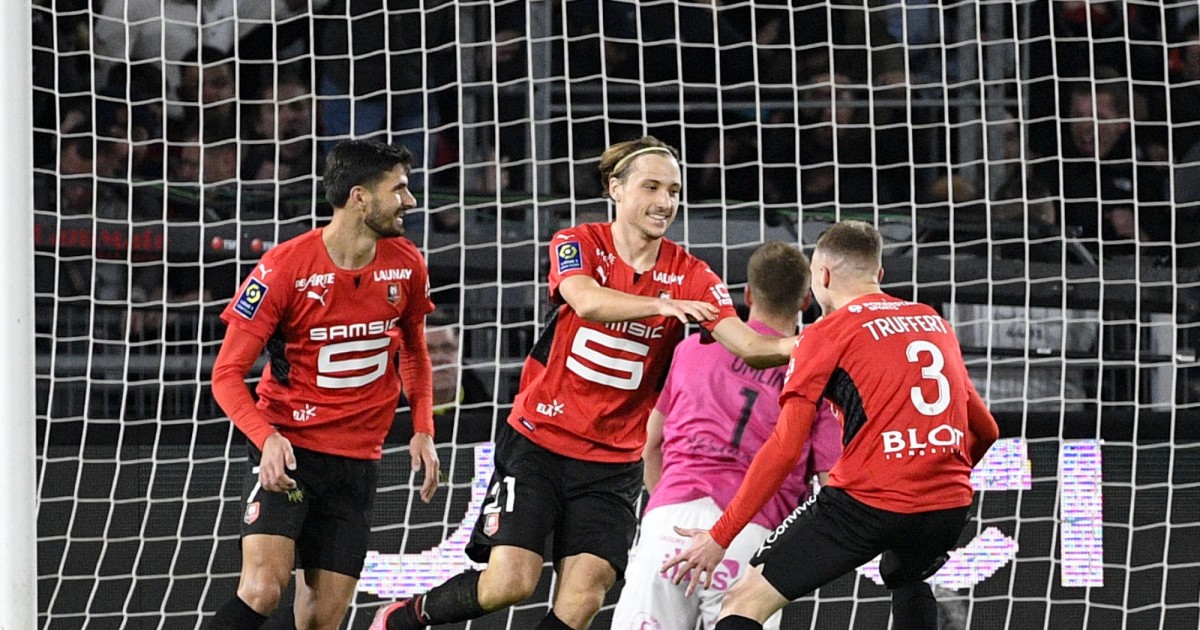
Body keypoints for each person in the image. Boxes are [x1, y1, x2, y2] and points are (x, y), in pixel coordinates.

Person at [370, 135, 795, 630]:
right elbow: (586, 299)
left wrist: (805, 346)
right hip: (540, 441)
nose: (665, 202)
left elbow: (746, 344)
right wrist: (659, 305)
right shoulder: (578, 243)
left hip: (612, 461)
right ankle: (403, 618)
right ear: (616, 188)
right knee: (510, 582)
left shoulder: (694, 274)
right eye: (652, 187)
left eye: (674, 191)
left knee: (584, 598)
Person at [663, 220, 1000, 630]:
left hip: (868, 503)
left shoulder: (824, 334)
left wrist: (720, 537)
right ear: (879, 275)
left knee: (742, 601)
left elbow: (785, 448)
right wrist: (935, 474)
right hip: (948, 505)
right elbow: (986, 431)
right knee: (909, 577)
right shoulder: (933, 321)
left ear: (820, 276)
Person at [206, 139, 441, 630]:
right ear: (359, 197)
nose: (410, 200)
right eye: (398, 188)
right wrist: (265, 437)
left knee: (322, 620)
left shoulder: (407, 263)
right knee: (263, 589)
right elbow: (226, 375)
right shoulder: (284, 268)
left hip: (357, 461)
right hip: (290, 450)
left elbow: (415, 350)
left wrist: (422, 428)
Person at [611, 241, 842, 630]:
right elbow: (830, 484)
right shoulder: (813, 373)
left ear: (748, 294)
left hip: (670, 524)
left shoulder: (692, 349)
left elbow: (651, 443)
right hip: (750, 532)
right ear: (805, 303)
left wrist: (663, 507)